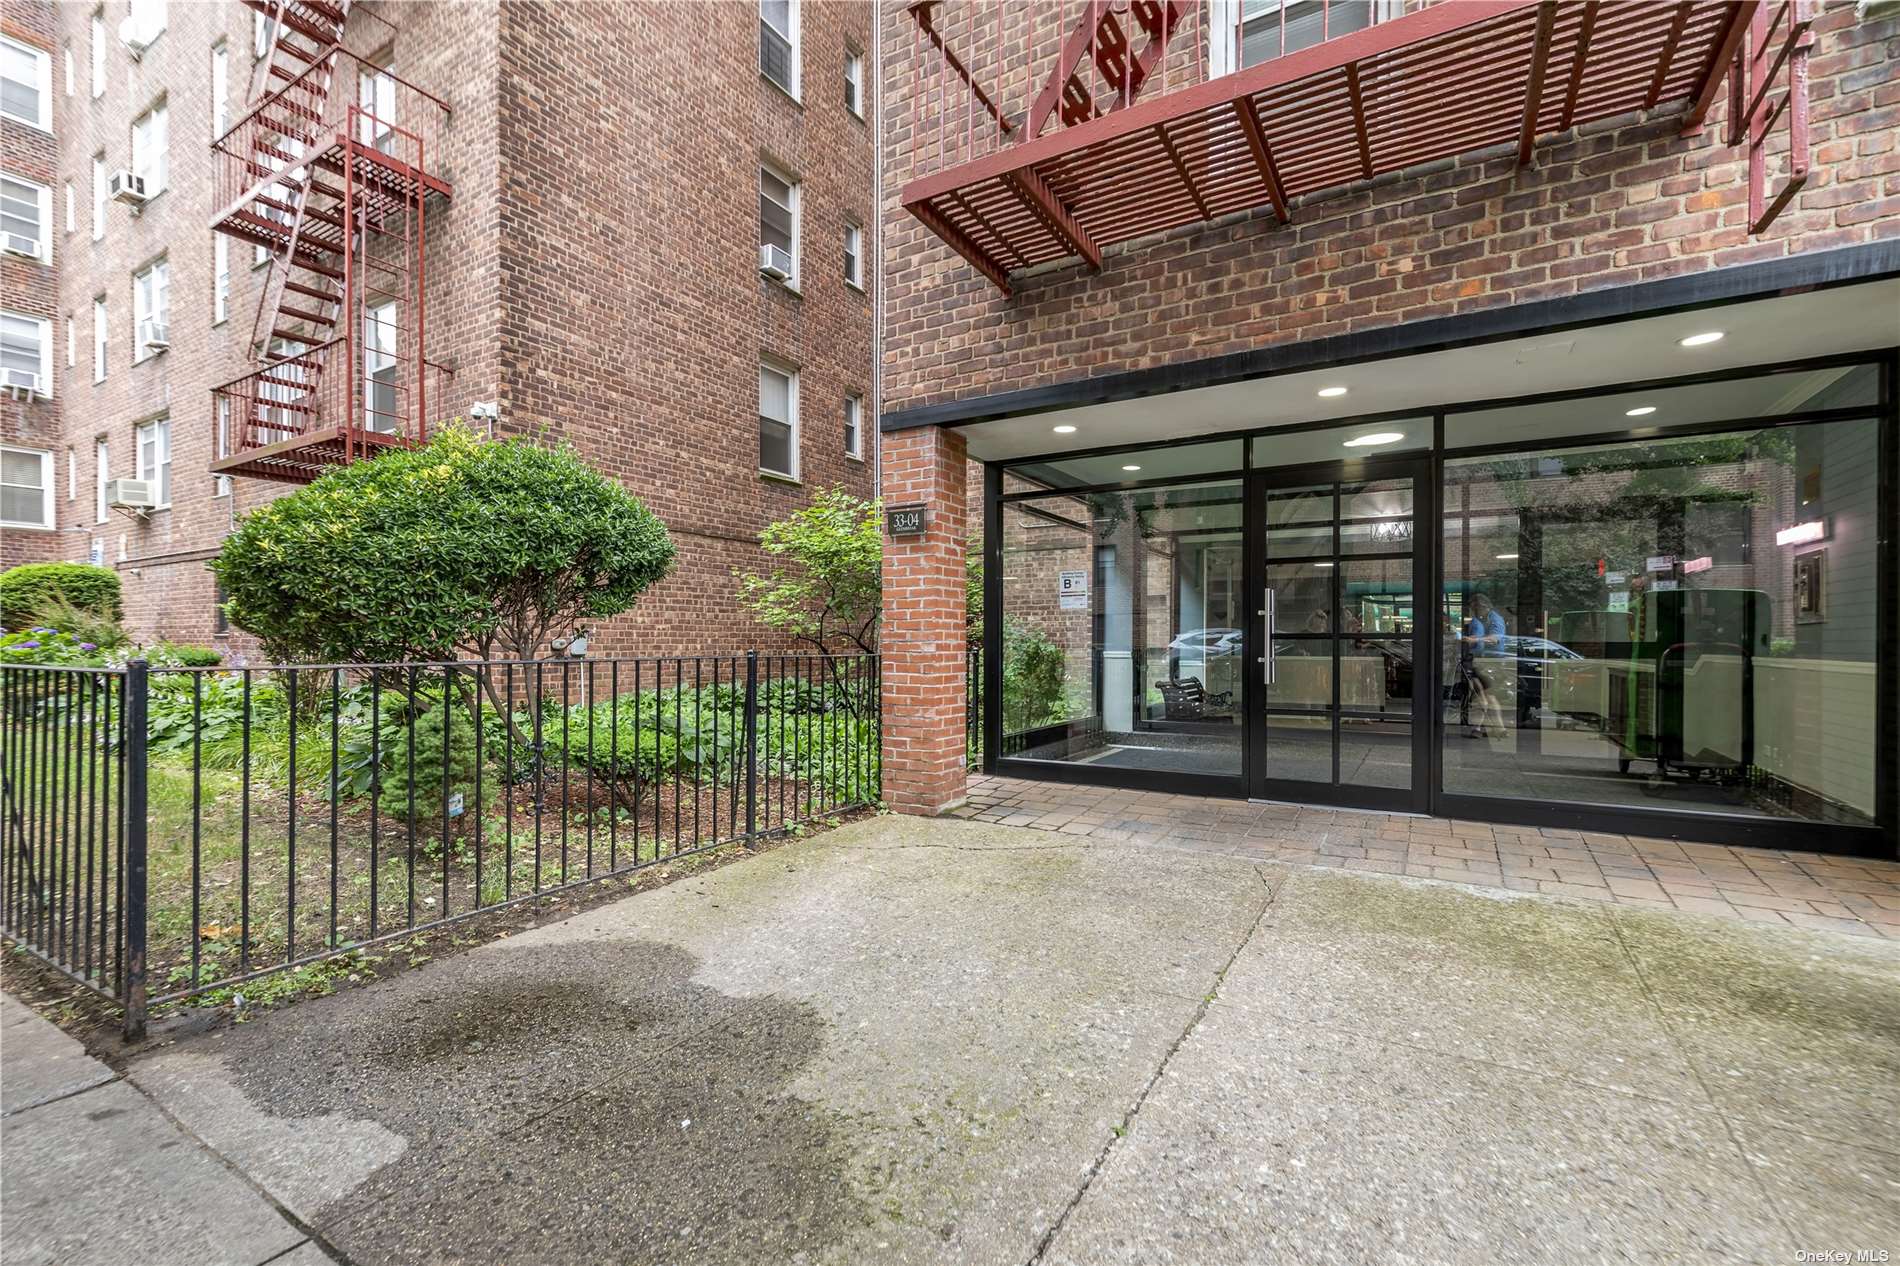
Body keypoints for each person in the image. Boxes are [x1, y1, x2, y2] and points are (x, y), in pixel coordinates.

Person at [1460, 592, 1507, 737]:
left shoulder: (1495, 620)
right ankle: (1497, 728)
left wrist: (1474, 640)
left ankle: (1481, 728)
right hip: (1486, 662)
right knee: (1487, 695)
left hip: (1490, 662)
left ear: (1483, 606)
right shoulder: (1483, 620)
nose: (1474, 610)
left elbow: (1494, 639)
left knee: (1482, 694)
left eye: (1475, 607)